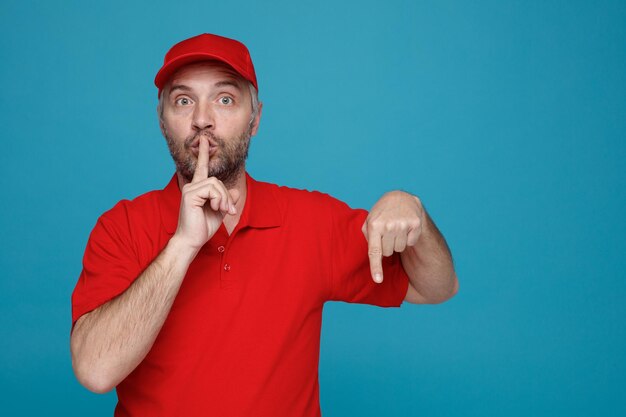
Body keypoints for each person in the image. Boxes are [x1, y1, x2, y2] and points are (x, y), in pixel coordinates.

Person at [70, 33, 458, 417]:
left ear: (255, 119)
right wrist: (182, 245)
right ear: (161, 121)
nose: (202, 120)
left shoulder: (311, 220)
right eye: (183, 101)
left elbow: (438, 287)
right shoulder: (121, 227)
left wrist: (418, 222)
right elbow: (95, 371)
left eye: (225, 100)